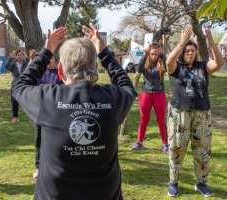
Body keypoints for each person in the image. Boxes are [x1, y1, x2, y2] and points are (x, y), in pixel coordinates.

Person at [12, 24, 137, 200]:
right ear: (95, 66)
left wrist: (46, 52)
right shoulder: (112, 98)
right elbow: (127, 87)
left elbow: (20, 86)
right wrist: (104, 53)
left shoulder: (48, 98)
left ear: (61, 69)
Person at [166, 27, 223, 197]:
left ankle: (201, 182)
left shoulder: (203, 66)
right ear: (182, 53)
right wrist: (182, 41)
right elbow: (168, 61)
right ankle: (173, 182)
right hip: (179, 113)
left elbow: (219, 63)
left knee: (202, 150)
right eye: (187, 51)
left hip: (202, 114)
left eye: (193, 51)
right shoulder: (176, 67)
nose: (190, 53)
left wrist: (211, 42)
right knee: (177, 148)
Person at [131, 42, 169, 154]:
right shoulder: (145, 63)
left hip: (159, 94)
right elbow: (138, 69)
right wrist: (145, 55)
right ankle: (139, 142)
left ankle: (165, 144)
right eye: (152, 54)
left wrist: (162, 55)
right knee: (143, 120)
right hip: (145, 94)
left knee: (161, 121)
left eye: (156, 54)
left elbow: (168, 67)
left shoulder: (161, 63)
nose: (153, 56)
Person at [33, 53, 63, 179]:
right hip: (41, 109)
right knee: (39, 138)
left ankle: (57, 163)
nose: (50, 61)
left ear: (56, 61)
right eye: (48, 59)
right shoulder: (39, 72)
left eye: (52, 59)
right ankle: (38, 166)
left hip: (57, 110)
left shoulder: (61, 73)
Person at [5, 49, 29, 123]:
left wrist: (27, 57)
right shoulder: (13, 63)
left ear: (23, 56)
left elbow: (31, 63)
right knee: (14, 101)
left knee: (27, 101)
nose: (19, 56)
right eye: (17, 55)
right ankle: (15, 117)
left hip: (25, 84)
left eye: (20, 55)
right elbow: (7, 67)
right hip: (15, 84)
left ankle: (30, 116)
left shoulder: (26, 63)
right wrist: (11, 58)